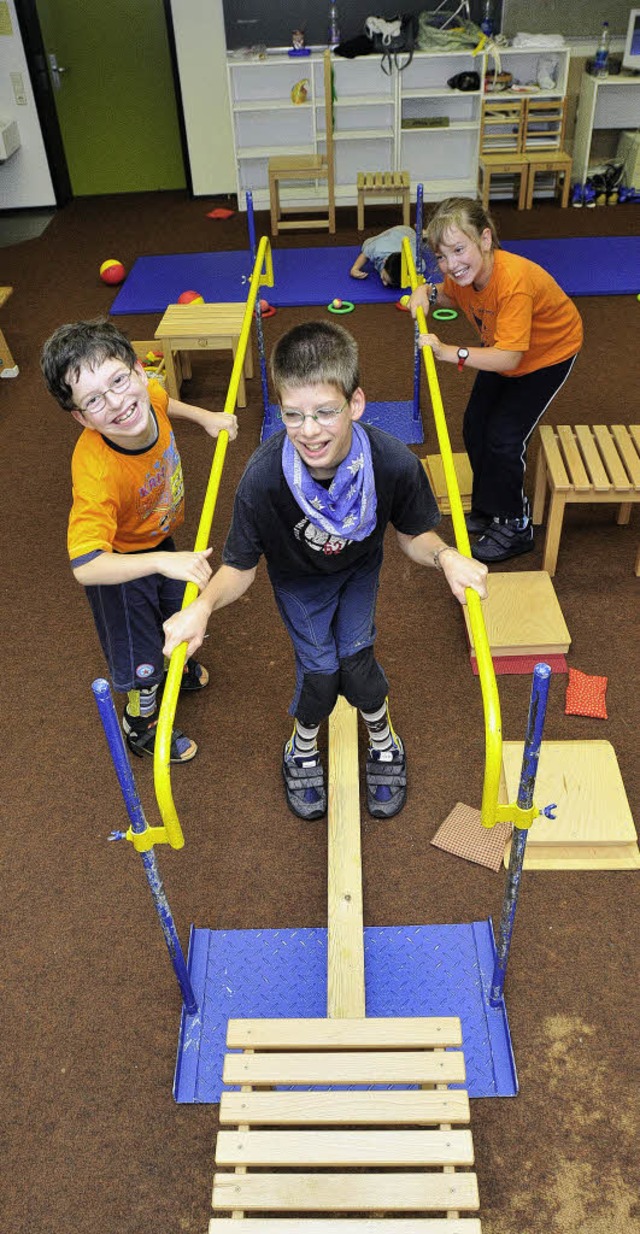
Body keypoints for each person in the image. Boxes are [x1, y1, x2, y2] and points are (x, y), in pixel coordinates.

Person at [163, 321, 487, 821]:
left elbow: (412, 535)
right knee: (320, 675)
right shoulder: (264, 478)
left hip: (358, 571)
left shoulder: (393, 463)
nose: (309, 430)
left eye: (324, 412)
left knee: (357, 664)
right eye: (293, 415)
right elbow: (240, 567)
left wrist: (446, 556)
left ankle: (382, 735)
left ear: (355, 405)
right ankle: (304, 741)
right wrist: (203, 606)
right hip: (298, 582)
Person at [41, 319, 238, 764]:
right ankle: (141, 724)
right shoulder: (96, 470)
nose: (117, 403)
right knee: (140, 654)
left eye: (118, 380)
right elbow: (86, 564)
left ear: (136, 370)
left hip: (157, 538)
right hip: (119, 567)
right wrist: (158, 563)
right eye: (94, 400)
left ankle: (176, 668)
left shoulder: (143, 394)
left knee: (177, 604)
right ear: (79, 417)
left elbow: (165, 402)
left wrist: (206, 417)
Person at [409, 197, 583, 563]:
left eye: (459, 250)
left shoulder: (513, 282)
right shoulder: (465, 275)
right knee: (475, 425)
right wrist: (425, 291)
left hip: (547, 355)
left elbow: (510, 357)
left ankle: (516, 524)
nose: (452, 264)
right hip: (504, 349)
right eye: (442, 256)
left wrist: (450, 352)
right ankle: (491, 505)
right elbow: (450, 294)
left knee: (504, 438)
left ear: (485, 240)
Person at [350, 224, 422, 288]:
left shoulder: (415, 264)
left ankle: (422, 234)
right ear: (385, 261)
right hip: (399, 231)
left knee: (419, 243)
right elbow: (365, 254)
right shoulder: (378, 249)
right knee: (366, 244)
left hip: (410, 236)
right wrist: (354, 269)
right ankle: (422, 234)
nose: (384, 284)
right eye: (384, 278)